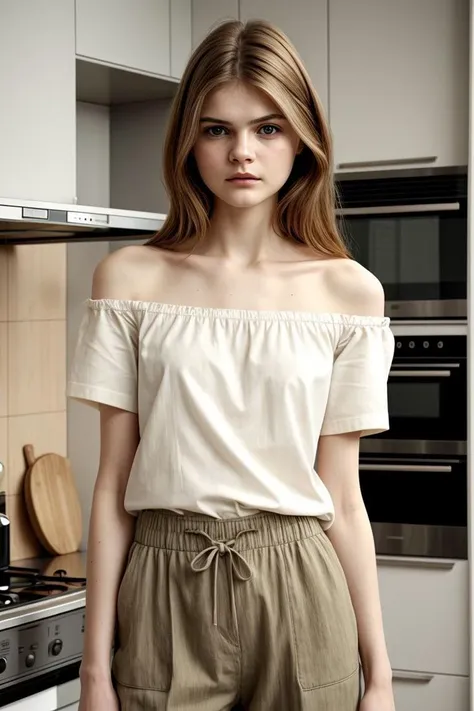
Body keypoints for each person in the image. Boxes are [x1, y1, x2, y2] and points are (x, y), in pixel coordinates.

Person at [67, 18, 396, 711]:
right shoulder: (128, 279)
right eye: (217, 128)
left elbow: (342, 497)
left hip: (303, 587)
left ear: (303, 139)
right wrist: (93, 675)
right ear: (188, 139)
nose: (241, 151)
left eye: (268, 128)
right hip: (162, 588)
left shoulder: (350, 291)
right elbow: (113, 483)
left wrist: (382, 677)